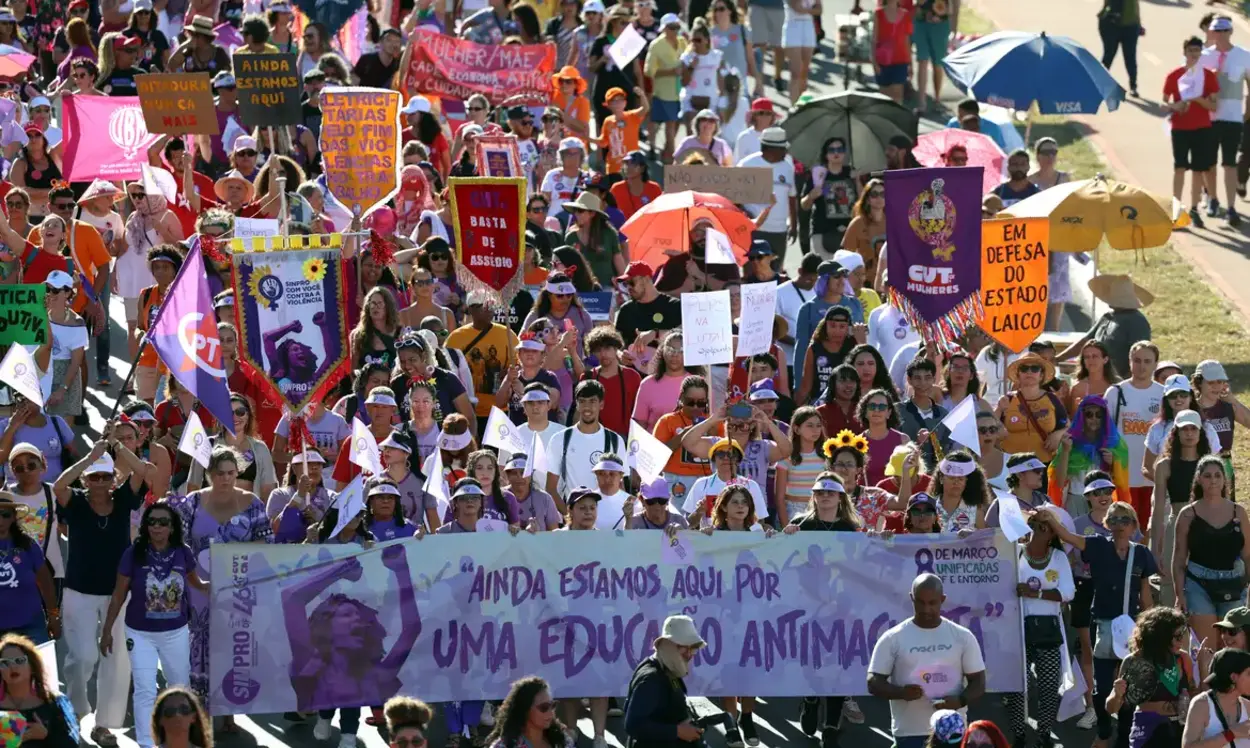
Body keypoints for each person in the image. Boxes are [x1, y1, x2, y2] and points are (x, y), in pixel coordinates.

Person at [53, 429, 152, 748]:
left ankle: (105, 724)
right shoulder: (76, 501)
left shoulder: (123, 499)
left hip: (118, 592)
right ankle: (76, 711)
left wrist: (118, 447)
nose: (98, 482)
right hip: (79, 591)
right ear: (86, 479)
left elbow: (143, 472)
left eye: (104, 476)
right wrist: (90, 457)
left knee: (116, 657)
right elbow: (58, 485)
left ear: (113, 479)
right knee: (82, 657)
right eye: (93, 477)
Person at [166, 447, 273, 724]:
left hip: (239, 588)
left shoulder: (252, 503)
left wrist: (236, 556)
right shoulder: (192, 502)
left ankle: (228, 711)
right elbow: (178, 542)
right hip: (198, 586)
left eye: (230, 473)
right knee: (198, 644)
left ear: (237, 473)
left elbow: (267, 542)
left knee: (233, 645)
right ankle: (200, 710)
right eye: (219, 473)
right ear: (209, 474)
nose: (225, 479)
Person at [1042, 503, 1158, 748]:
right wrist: (1050, 520)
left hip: (1133, 629)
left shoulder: (1142, 554)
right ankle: (1104, 732)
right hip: (1104, 625)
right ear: (1106, 523)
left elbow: (1145, 597)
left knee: (1130, 686)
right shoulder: (1096, 545)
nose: (1119, 525)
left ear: (1134, 525)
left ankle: (1125, 736)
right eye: (1113, 520)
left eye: (1124, 520)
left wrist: (1153, 626)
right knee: (1102, 685)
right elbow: (1068, 536)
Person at [100, 503, 205, 748]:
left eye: (163, 522)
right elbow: (118, 595)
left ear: (172, 527)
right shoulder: (133, 553)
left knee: (179, 688)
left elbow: (197, 583)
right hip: (139, 633)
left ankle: (180, 741)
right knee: (145, 689)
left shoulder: (183, 552)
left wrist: (221, 583)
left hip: (175, 632)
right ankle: (147, 743)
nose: (157, 526)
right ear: (146, 526)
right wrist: (106, 631)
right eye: (152, 522)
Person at [867, 573, 987, 748]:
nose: (926, 609)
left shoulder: (962, 637)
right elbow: (873, 681)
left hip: (952, 732)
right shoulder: (893, 638)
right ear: (911, 598)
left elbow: (978, 681)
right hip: (909, 733)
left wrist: (960, 701)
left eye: (932, 603)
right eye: (920, 602)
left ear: (942, 599)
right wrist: (900, 693)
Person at [1005, 512, 1074, 748]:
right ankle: (1018, 733)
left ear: (1055, 532)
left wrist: (1036, 593)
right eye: (1038, 523)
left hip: (1048, 630)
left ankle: (1044, 733)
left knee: (1048, 686)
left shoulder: (1058, 557)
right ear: (1030, 524)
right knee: (1018, 685)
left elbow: (1068, 592)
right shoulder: (1015, 551)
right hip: (1017, 628)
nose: (1042, 528)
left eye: (1048, 525)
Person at [1171, 454, 1249, 651]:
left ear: (1225, 479)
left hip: (1234, 584)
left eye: (1217, 475)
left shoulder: (1238, 512)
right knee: (1207, 648)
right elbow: (1179, 559)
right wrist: (1180, 594)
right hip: (1199, 583)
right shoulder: (1188, 514)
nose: (1213, 480)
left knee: (1232, 648)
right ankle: (1204, 683)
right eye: (1207, 476)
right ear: (1198, 479)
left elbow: (1248, 555)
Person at [1106, 607, 1193, 748]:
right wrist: (1117, 694)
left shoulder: (1183, 659)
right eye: (1177, 636)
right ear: (1161, 636)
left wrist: (1202, 666)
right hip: (1147, 730)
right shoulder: (1134, 661)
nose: (1182, 641)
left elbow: (1196, 696)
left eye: (1183, 635)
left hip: (1179, 729)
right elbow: (1111, 709)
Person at [623, 615, 706, 748]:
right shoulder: (651, 679)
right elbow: (633, 725)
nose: (690, 654)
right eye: (685, 647)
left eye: (693, 648)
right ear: (668, 645)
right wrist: (677, 731)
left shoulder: (666, 668)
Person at [1198, 16, 1250, 227]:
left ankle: (1230, 207)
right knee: (1208, 164)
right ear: (1210, 32)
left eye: (1223, 30)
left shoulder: (1243, 55)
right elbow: (1191, 86)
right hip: (1208, 118)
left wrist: (1247, 111)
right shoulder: (1203, 56)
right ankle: (1212, 198)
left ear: (1230, 32)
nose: (1219, 34)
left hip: (1232, 117)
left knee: (1229, 164)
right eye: (1215, 31)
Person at [1165, 36, 1220, 227]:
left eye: (1197, 51)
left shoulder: (1208, 76)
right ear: (1184, 52)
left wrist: (1197, 100)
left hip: (1202, 128)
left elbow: (1213, 106)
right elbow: (1164, 103)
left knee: (1199, 170)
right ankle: (1175, 209)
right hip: (1180, 129)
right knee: (1180, 168)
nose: (1194, 54)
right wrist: (1175, 106)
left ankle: (1194, 208)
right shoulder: (1174, 76)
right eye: (1190, 51)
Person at [545, 380, 624, 510]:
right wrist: (570, 518)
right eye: (582, 401)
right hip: (572, 522)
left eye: (592, 401)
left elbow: (620, 486)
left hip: (606, 521)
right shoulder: (560, 439)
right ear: (576, 405)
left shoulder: (615, 440)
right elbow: (550, 489)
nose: (587, 407)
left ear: (601, 404)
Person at [446, 290, 520, 427]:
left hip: (499, 410)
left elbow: (518, 366)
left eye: (492, 305)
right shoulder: (455, 338)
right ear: (471, 309)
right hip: (467, 411)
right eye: (484, 306)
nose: (489, 309)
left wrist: (509, 374)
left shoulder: (507, 334)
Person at [1048, 395, 1131, 515]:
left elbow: (1121, 482)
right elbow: (1059, 482)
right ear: (1081, 416)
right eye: (1089, 414)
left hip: (1103, 502)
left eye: (1099, 415)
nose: (1094, 418)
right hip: (1076, 501)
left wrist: (1114, 463)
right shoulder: (1070, 441)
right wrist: (1065, 452)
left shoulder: (1115, 443)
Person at [0, 634, 79, 748]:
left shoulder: (52, 702)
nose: (13, 666)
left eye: (19, 660)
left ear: (32, 666)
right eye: (5, 663)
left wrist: (46, 735)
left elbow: (70, 745)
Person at [0, 492, 58, 643]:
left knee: (40, 667)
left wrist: (53, 614)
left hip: (31, 625)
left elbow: (45, 581)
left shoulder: (28, 545)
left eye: (5, 514)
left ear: (13, 517)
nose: (0, 519)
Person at [739, 127, 797, 263]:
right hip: (753, 230)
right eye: (783, 149)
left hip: (779, 231)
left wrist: (794, 226)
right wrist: (745, 214)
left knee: (775, 272)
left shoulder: (788, 167)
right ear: (771, 149)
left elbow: (792, 197)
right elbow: (734, 196)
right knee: (752, 273)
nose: (786, 152)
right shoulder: (746, 165)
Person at [802, 136, 859, 255]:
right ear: (826, 154)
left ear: (844, 153)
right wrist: (811, 196)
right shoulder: (818, 174)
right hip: (822, 232)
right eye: (832, 150)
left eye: (840, 149)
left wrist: (858, 180)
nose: (836, 153)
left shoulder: (851, 173)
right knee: (826, 271)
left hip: (848, 232)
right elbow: (804, 206)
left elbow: (864, 199)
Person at [1182, 647, 1250, 747]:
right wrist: (1231, 734)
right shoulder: (1202, 705)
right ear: (1233, 677)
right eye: (1249, 673)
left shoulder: (1247, 707)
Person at [613, 260, 681, 351]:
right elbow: (616, 347)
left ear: (646, 279)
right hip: (633, 364)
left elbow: (686, 336)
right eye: (625, 284)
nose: (629, 288)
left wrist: (656, 334)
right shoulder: (626, 310)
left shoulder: (674, 306)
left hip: (666, 363)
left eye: (631, 282)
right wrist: (622, 356)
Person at [644, 14, 686, 162]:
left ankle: (666, 151)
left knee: (673, 123)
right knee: (662, 123)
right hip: (663, 92)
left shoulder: (683, 42)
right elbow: (649, 71)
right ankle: (661, 152)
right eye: (672, 27)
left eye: (677, 27)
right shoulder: (656, 45)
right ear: (664, 29)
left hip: (680, 91)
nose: (675, 31)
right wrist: (671, 72)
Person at [912, 0, 956, 113]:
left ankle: (937, 99)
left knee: (937, 64)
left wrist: (953, 28)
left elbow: (953, 4)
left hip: (941, 23)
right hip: (921, 21)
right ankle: (921, 102)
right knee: (922, 60)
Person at [1099, 0, 1143, 97]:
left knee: (1130, 57)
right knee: (1109, 55)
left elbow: (1135, 5)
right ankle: (1099, 83)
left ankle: (1133, 86)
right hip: (1112, 24)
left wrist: (1139, 24)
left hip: (1130, 26)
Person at [872, 0, 912, 103]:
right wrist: (874, 61)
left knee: (897, 95)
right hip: (883, 61)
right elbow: (874, 39)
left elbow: (907, 40)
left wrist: (910, 63)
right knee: (883, 95)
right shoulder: (878, 13)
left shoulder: (906, 14)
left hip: (901, 60)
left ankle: (896, 118)